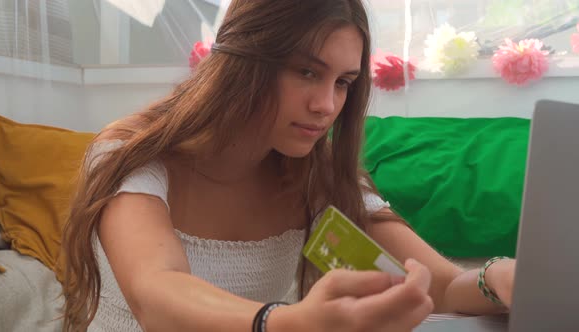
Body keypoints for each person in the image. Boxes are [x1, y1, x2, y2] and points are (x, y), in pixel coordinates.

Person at [60, 0, 516, 331]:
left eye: (343, 83)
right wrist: (286, 322)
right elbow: (156, 295)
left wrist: (496, 278)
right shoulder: (135, 152)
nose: (326, 105)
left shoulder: (315, 179)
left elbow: (439, 285)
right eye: (306, 72)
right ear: (242, 64)